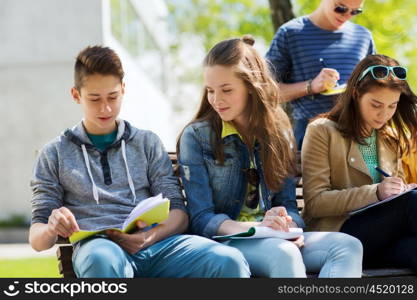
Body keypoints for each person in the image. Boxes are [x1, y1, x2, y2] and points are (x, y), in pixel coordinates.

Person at [29, 45, 251, 278]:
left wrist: (147, 238)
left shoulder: (146, 143)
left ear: (123, 90)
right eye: (94, 99)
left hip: (158, 245)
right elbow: (37, 238)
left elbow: (179, 213)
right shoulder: (54, 153)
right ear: (76, 95)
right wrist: (51, 228)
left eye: (113, 97)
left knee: (228, 260)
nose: (105, 108)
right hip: (101, 248)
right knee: (100, 258)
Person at [177, 35, 363, 278]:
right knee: (284, 253)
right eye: (210, 90)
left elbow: (287, 204)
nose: (216, 100)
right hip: (226, 241)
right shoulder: (197, 137)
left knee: (347, 246)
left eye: (226, 90)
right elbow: (202, 219)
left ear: (252, 88)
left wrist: (288, 224)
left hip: (275, 238)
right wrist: (257, 228)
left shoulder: (279, 133)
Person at [302, 54, 417, 271]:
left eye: (392, 106)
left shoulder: (390, 137)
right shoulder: (322, 131)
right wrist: (376, 192)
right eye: (376, 104)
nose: (384, 114)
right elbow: (316, 203)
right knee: (412, 201)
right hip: (338, 236)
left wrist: (400, 189)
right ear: (355, 94)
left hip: (382, 241)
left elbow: (397, 194)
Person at [266, 0, 375, 150]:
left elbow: (375, 88)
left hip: (357, 132)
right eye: (340, 8)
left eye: (355, 11)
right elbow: (266, 92)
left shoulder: (363, 36)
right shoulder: (290, 33)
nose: (347, 15)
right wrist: (310, 86)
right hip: (309, 132)